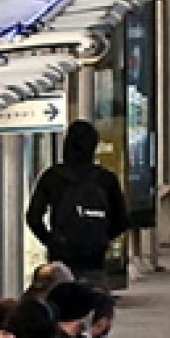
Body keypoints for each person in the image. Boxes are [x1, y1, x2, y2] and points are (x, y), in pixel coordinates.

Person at [26, 120, 129, 282]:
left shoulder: (53, 176)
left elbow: (33, 218)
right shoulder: (106, 179)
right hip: (95, 260)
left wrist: (51, 241)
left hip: (61, 259)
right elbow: (122, 221)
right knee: (97, 301)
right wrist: (99, 237)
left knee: (61, 299)